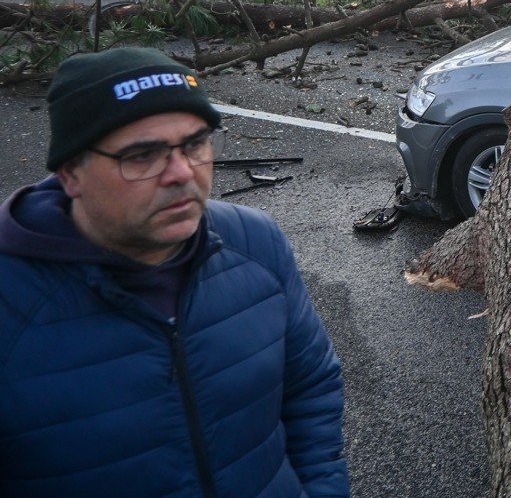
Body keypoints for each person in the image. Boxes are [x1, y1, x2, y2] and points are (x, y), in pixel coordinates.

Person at [0, 47, 348, 498]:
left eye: (195, 144)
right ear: (71, 173)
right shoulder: (12, 301)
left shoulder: (257, 242)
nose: (182, 173)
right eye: (142, 155)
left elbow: (311, 389)